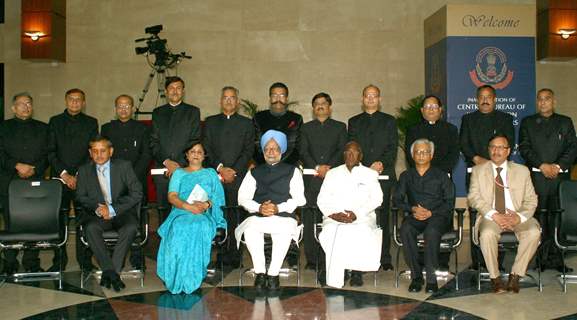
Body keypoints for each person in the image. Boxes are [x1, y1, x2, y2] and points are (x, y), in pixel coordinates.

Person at [468, 134, 540, 294]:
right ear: (488, 150)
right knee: (486, 234)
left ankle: (515, 275)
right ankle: (495, 278)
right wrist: (494, 214)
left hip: (517, 215)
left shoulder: (522, 171)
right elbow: (474, 198)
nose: (496, 151)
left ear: (508, 151)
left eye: (500, 147)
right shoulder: (478, 171)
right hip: (491, 216)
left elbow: (531, 200)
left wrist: (518, 217)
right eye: (493, 147)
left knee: (534, 232)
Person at [236, 130, 306, 291]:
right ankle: (260, 273)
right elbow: (243, 198)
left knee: (284, 228)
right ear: (263, 151)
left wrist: (277, 208)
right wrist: (259, 207)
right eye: (267, 148)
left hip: (283, 215)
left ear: (281, 150)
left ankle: (273, 274)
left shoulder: (292, 171)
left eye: (275, 148)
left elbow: (300, 199)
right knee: (251, 228)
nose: (271, 152)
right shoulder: (254, 172)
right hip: (259, 215)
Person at [519, 88, 577, 272]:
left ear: (554, 101)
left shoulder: (565, 122)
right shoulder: (528, 122)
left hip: (560, 180)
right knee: (540, 218)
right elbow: (524, 148)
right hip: (537, 178)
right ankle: (541, 259)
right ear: (537, 102)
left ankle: (558, 259)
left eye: (547, 99)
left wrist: (557, 167)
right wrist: (542, 166)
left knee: (559, 218)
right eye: (540, 99)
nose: (543, 102)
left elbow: (573, 148)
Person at [156, 143, 226, 294]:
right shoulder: (179, 173)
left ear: (204, 156)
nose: (196, 154)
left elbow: (218, 196)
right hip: (181, 212)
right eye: (192, 151)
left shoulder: (211, 173)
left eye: (199, 152)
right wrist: (188, 207)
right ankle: (176, 276)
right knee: (179, 227)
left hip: (203, 213)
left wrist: (206, 204)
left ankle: (193, 276)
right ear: (186, 155)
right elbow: (172, 196)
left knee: (198, 226)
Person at [76, 136, 143, 292]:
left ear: (111, 151)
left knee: (131, 227)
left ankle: (112, 271)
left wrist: (112, 209)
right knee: (91, 228)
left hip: (122, 212)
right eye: (95, 151)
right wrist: (99, 208)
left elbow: (137, 193)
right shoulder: (84, 170)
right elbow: (80, 196)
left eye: (103, 151)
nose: (99, 155)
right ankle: (112, 272)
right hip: (98, 214)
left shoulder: (124, 166)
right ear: (90, 153)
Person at [460, 85, 514, 269]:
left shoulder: (505, 119)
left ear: (494, 99)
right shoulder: (468, 119)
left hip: (499, 174)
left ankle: (498, 261)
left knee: (499, 214)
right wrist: (477, 159)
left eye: (488, 96)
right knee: (477, 216)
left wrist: (492, 162)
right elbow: (464, 143)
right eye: (481, 97)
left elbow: (509, 144)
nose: (485, 100)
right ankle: (478, 261)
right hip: (476, 173)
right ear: (477, 99)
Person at [317, 141, 383, 288]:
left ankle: (356, 271)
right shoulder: (332, 174)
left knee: (360, 230)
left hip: (362, 217)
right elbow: (322, 199)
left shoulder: (370, 174)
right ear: (343, 155)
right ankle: (334, 272)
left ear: (361, 155)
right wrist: (334, 214)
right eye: (347, 152)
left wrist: (356, 214)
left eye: (355, 152)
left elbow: (377, 199)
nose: (351, 155)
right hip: (335, 217)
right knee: (331, 231)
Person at [0, 92, 52, 274]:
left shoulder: (43, 128)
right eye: (21, 104)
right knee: (11, 222)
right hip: (9, 182)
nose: (26, 107)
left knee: (34, 222)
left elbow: (48, 154)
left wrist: (34, 169)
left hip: (34, 181)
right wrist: (16, 166)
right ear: (13, 108)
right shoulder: (3, 127)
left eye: (29, 103)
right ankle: (10, 261)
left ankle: (31, 261)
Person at [203, 86, 254, 267]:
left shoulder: (247, 124)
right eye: (225, 97)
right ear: (220, 101)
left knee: (235, 216)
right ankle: (219, 252)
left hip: (237, 177)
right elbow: (206, 148)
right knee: (215, 215)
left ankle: (234, 254)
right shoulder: (210, 122)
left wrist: (234, 171)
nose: (229, 100)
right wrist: (220, 168)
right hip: (215, 178)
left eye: (232, 98)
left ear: (238, 102)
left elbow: (249, 150)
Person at [395, 139, 455, 293]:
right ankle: (416, 277)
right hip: (415, 215)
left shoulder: (442, 176)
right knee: (406, 229)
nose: (421, 155)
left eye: (425, 152)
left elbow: (449, 202)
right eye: (418, 152)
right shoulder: (406, 176)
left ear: (431, 155)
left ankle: (431, 278)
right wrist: (413, 208)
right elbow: (397, 200)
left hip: (438, 216)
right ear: (412, 155)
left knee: (431, 232)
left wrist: (431, 212)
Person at [348, 84, 397, 270]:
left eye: (374, 96)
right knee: (361, 214)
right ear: (362, 99)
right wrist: (365, 168)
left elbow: (392, 148)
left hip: (383, 174)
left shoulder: (389, 121)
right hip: (360, 175)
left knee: (382, 215)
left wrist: (380, 164)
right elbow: (352, 147)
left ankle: (384, 258)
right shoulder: (354, 121)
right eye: (367, 95)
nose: (370, 99)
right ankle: (362, 255)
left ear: (379, 99)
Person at [48, 88, 99, 272]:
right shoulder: (55, 122)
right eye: (71, 99)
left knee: (85, 220)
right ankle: (59, 261)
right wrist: (64, 174)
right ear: (65, 100)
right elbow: (51, 152)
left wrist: (79, 174)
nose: (75, 103)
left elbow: (93, 152)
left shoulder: (92, 122)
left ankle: (85, 261)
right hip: (60, 179)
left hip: (83, 179)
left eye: (78, 100)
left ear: (84, 103)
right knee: (59, 220)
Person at [299, 92, 347, 269]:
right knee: (310, 218)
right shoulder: (305, 128)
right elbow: (303, 151)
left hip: (334, 179)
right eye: (316, 104)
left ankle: (330, 254)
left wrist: (329, 168)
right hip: (311, 179)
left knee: (332, 217)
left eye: (323, 103)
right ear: (313, 108)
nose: (320, 106)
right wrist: (318, 167)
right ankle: (312, 259)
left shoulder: (340, 127)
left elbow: (342, 150)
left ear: (330, 107)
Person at [150, 76, 201, 223]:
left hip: (185, 169)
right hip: (163, 170)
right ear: (166, 92)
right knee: (163, 212)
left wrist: (178, 165)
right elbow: (153, 142)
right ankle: (164, 243)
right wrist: (167, 162)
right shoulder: (157, 112)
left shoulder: (193, 112)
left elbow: (194, 140)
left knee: (186, 211)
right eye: (171, 88)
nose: (175, 91)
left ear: (183, 91)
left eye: (178, 88)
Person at [405, 95, 459, 173]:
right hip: (419, 175)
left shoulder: (451, 129)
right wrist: (423, 170)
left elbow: (454, 154)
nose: (431, 109)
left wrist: (438, 172)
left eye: (434, 106)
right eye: (427, 106)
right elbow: (410, 155)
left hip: (443, 175)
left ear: (440, 109)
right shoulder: (413, 130)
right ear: (422, 110)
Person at [253, 82, 303, 166]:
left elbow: (299, 146)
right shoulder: (258, 118)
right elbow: (255, 144)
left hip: (289, 167)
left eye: (282, 96)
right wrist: (267, 163)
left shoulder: (296, 118)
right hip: (263, 166)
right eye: (274, 96)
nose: (278, 99)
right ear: (270, 98)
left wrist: (282, 165)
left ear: (286, 99)